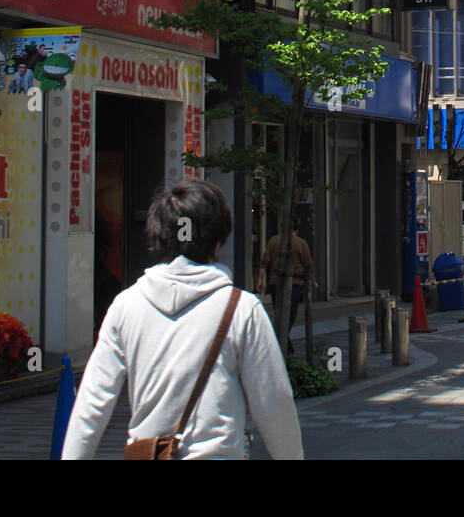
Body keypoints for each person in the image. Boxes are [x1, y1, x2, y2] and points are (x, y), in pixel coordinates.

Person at [62, 179, 303, 460]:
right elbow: (274, 402)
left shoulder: (125, 306)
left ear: (158, 236)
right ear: (218, 241)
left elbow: (92, 403)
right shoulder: (242, 309)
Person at [258, 214, 315, 353]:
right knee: (290, 314)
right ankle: (279, 342)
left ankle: (285, 345)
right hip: (293, 283)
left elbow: (264, 261)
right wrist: (311, 279)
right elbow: (308, 264)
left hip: (274, 282)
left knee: (279, 313)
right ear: (296, 229)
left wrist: (260, 280)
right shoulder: (300, 243)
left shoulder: (273, 241)